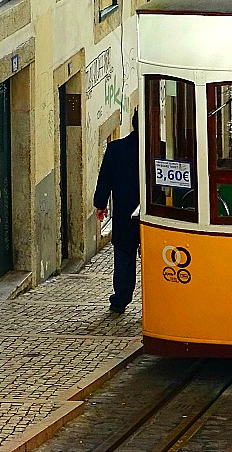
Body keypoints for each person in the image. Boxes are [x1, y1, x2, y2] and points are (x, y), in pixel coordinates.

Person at [93, 110, 140, 314]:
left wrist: (100, 204)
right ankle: (156, 301)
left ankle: (120, 300)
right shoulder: (161, 149)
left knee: (123, 257)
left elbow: (105, 179)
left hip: (124, 214)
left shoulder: (116, 149)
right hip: (153, 214)